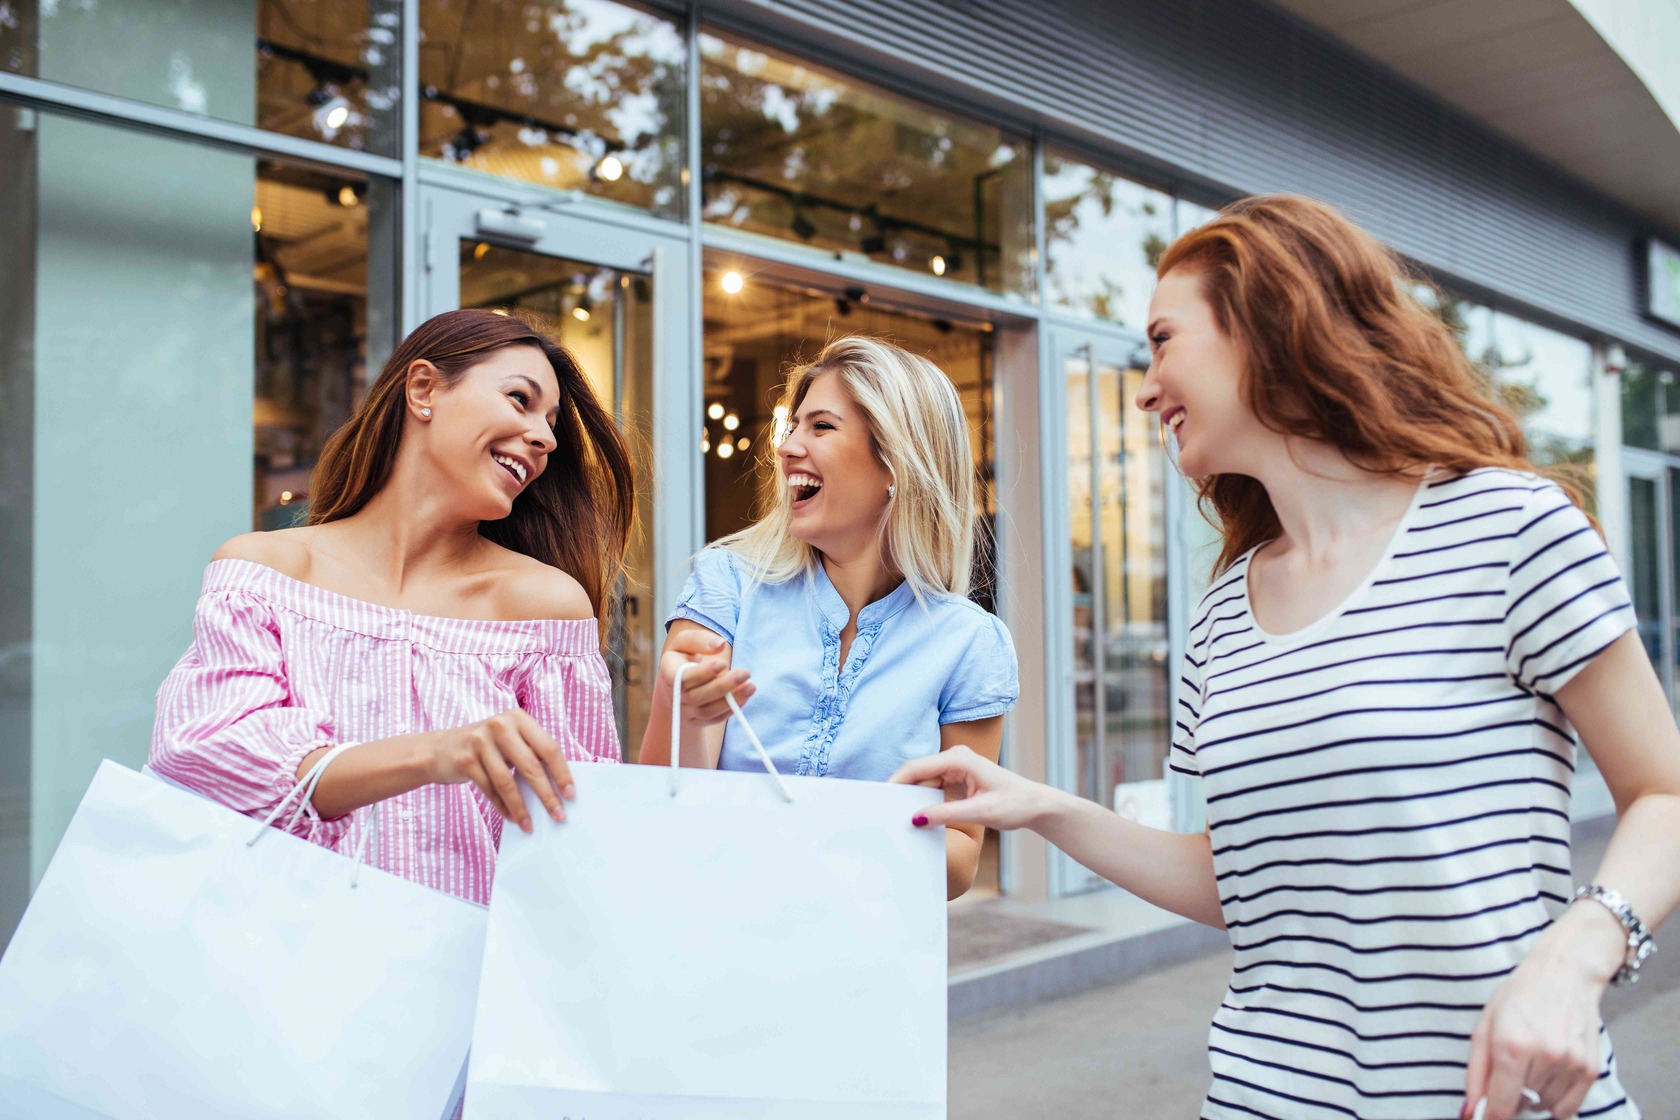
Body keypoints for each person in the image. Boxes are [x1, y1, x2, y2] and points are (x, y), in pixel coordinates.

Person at [893, 196, 1680, 1119]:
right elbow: (1247, 882)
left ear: (1270, 326)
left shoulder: (1508, 528)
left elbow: (1664, 795)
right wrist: (1039, 808)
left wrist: (1575, 956)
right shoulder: (1224, 611)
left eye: (1163, 340)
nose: (1145, 388)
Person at [151, 308, 635, 905]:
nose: (545, 437)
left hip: (467, 977)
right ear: (423, 389)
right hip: (274, 962)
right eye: (519, 399)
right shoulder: (263, 577)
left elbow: (578, 833)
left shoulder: (543, 611)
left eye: (551, 423)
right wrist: (434, 753)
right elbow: (209, 757)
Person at [640, 336, 1018, 899]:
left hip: (861, 962)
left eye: (820, 427)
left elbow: (962, 857)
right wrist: (687, 711)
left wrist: (822, 836)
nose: (788, 446)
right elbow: (662, 800)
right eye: (793, 427)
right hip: (714, 931)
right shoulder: (727, 585)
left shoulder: (970, 642)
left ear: (896, 459)